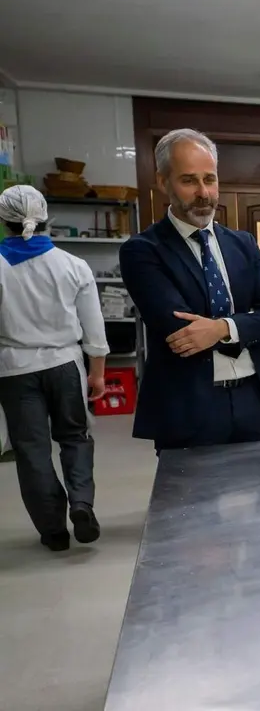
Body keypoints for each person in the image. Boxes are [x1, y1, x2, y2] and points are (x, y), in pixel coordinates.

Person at [120, 129, 260, 450]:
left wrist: (222, 328)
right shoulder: (144, 251)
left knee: (258, 497)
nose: (204, 193)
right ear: (163, 182)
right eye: (189, 181)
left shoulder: (242, 244)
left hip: (250, 399)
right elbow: (180, 332)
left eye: (209, 179)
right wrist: (249, 324)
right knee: (190, 500)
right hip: (187, 407)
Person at [0, 186, 108, 551]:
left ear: (4, 222)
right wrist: (97, 372)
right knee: (74, 438)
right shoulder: (72, 265)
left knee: (31, 451)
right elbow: (94, 328)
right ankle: (81, 503)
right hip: (65, 365)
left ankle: (53, 531)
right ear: (47, 218)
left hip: (14, 370)